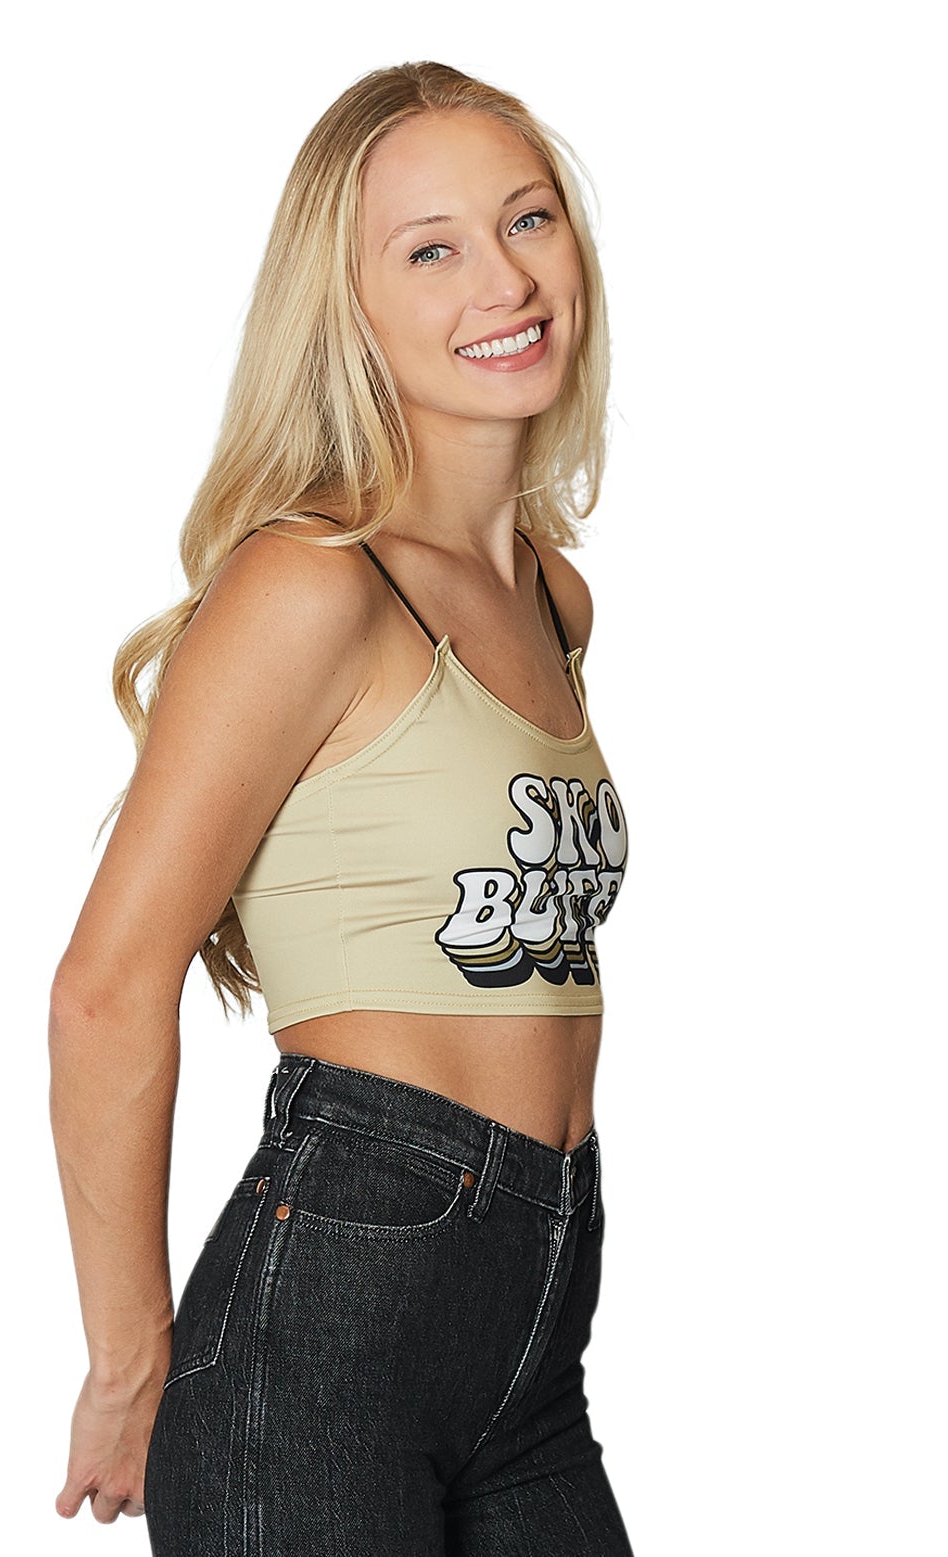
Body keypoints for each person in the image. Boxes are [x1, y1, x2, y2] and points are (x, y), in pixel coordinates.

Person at [49, 60, 634, 1554]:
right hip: (334, 1317)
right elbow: (109, 983)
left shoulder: (550, 598)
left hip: (535, 1317)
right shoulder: (311, 582)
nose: (503, 279)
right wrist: (127, 1358)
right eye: (430, 249)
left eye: (527, 219)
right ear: (347, 308)